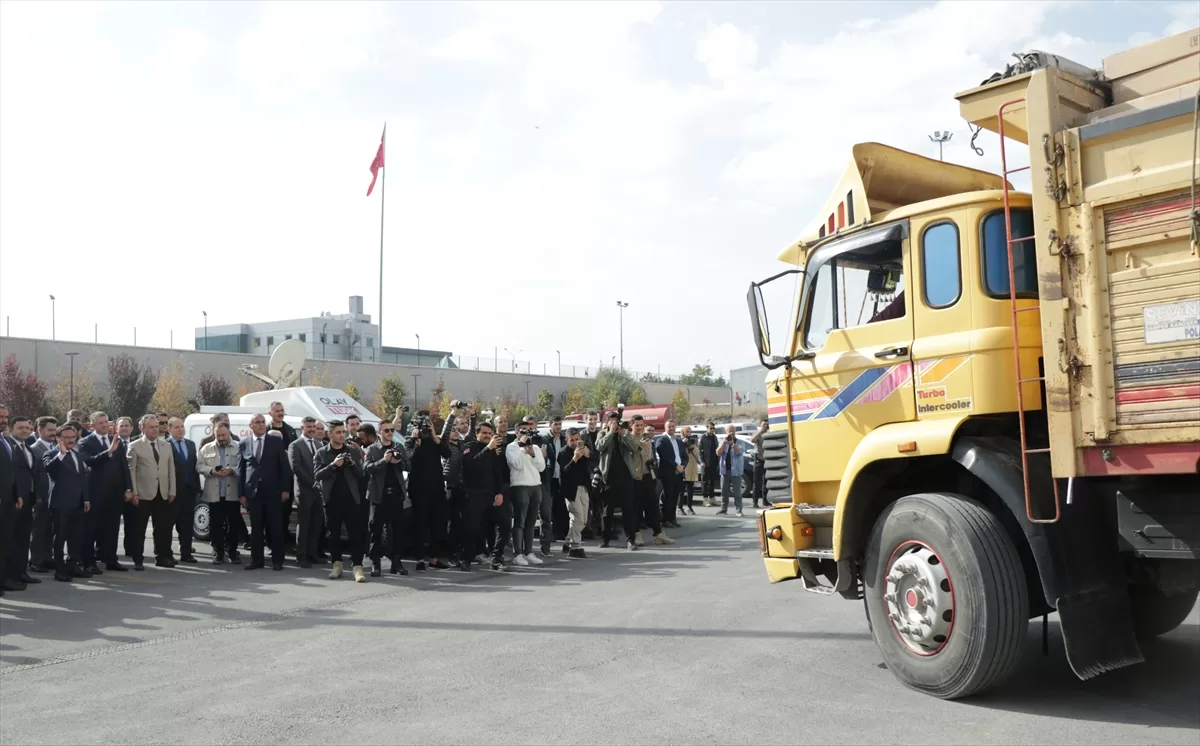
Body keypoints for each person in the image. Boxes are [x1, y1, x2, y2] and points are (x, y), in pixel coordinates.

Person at [77, 411, 133, 573]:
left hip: (114, 493)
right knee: (91, 529)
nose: (104, 425)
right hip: (95, 493)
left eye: (106, 422)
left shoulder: (115, 440)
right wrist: (108, 452)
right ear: (92, 425)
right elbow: (89, 462)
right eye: (100, 423)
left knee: (112, 528)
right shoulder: (85, 442)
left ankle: (111, 559)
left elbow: (124, 467)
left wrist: (128, 488)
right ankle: (89, 562)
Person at [314, 420, 367, 582]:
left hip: (351, 498)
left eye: (343, 432)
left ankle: (357, 567)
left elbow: (361, 474)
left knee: (355, 534)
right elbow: (317, 475)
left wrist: (352, 464)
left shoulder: (353, 451)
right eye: (338, 432)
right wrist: (333, 465)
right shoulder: (321, 453)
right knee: (333, 534)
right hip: (331, 499)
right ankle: (337, 564)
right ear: (329, 434)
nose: (342, 435)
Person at [237, 413, 291, 571]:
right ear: (251, 425)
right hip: (253, 493)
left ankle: (277, 560)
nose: (261, 425)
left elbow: (284, 467)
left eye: (263, 422)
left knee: (275, 527)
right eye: (257, 422)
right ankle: (257, 560)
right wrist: (241, 494)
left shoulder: (275, 441)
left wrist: (285, 489)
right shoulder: (244, 443)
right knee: (256, 528)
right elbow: (241, 470)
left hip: (273, 492)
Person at [127, 414, 177, 570]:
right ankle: (138, 559)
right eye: (151, 427)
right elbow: (131, 471)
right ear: (142, 428)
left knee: (162, 528)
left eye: (156, 426)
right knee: (139, 529)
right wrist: (134, 492)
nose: (155, 430)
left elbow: (171, 469)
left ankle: (161, 557)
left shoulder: (166, 445)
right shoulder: (135, 446)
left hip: (162, 493)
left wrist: (172, 490)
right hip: (142, 494)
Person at [460, 421, 510, 571]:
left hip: (492, 495)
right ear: (477, 433)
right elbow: (473, 465)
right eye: (484, 433)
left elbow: (497, 472)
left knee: (505, 525)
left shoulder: (492, 450)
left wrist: (499, 492)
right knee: (472, 529)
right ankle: (466, 558)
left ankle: (496, 558)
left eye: (489, 433)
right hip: (474, 495)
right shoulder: (469, 447)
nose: (488, 436)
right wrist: (488, 448)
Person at [43, 424, 90, 583]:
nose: (70, 440)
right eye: (67, 437)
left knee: (76, 536)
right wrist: (61, 455)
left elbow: (82, 479)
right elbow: (50, 469)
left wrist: (86, 499)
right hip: (60, 503)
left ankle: (72, 565)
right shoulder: (51, 454)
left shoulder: (77, 454)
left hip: (78, 503)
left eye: (73, 437)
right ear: (58, 439)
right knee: (60, 537)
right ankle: (60, 570)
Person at [405, 410, 451, 571]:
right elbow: (410, 459)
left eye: (427, 424)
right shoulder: (409, 440)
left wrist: (434, 436)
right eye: (421, 424)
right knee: (419, 525)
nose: (424, 427)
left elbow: (447, 453)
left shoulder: (433, 440)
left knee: (437, 525)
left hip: (436, 488)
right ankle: (419, 559)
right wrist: (417, 442)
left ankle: (434, 558)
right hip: (418, 489)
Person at [364, 418, 410, 577]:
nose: (390, 433)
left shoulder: (399, 447)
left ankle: (396, 563)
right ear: (380, 432)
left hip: (396, 495)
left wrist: (399, 461)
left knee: (398, 531)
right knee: (375, 530)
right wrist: (384, 460)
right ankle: (375, 563)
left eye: (392, 430)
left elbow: (409, 466)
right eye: (386, 430)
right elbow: (367, 468)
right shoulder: (372, 449)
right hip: (379, 495)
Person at [197, 422, 241, 564]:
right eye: (218, 435)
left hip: (232, 493)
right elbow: (199, 466)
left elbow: (244, 466)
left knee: (233, 524)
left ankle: (233, 552)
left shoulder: (239, 447)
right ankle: (218, 552)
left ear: (229, 433)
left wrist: (232, 470)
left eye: (224, 435)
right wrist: (211, 470)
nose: (221, 438)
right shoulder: (206, 448)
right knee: (215, 525)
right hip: (214, 494)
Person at [6, 416, 41, 588]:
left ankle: (21, 572)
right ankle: (9, 576)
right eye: (20, 428)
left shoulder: (28, 447)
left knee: (23, 538)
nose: (25, 431)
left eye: (27, 428)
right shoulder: (7, 447)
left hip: (28, 500)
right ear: (11, 429)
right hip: (13, 500)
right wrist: (17, 494)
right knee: (11, 540)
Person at [506, 418, 546, 566]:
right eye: (522, 431)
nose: (526, 434)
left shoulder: (535, 447)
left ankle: (529, 552)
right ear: (516, 433)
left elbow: (541, 467)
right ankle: (518, 554)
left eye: (528, 431)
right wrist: (522, 448)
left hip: (535, 485)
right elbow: (517, 464)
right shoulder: (511, 447)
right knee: (520, 521)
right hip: (520, 485)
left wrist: (532, 454)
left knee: (531, 522)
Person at [630, 415, 674, 547]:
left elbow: (650, 456)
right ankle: (636, 534)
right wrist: (641, 445)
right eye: (637, 425)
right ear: (631, 425)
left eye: (641, 425)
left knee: (653, 505)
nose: (639, 428)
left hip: (648, 475)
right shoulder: (628, 439)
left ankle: (658, 534)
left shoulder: (647, 438)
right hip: (635, 477)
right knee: (635, 507)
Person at [597, 411, 638, 550]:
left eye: (616, 421)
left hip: (625, 476)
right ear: (607, 422)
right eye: (612, 421)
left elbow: (634, 447)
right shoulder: (603, 433)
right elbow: (599, 446)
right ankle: (605, 539)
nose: (615, 424)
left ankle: (630, 540)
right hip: (609, 477)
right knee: (607, 511)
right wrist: (610, 433)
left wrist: (624, 435)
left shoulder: (624, 433)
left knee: (628, 509)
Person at [288, 416, 324, 568]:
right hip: (304, 491)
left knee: (316, 524)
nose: (312, 430)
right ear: (302, 428)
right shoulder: (295, 445)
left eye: (313, 427)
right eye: (308, 427)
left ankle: (312, 553)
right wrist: (313, 483)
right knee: (304, 524)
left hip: (318, 491)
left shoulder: (318, 444)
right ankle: (301, 555)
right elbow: (296, 467)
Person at [441, 403, 475, 565]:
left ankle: (463, 553)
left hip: (462, 487)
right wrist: (453, 413)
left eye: (457, 429)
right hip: (450, 487)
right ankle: (451, 554)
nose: (454, 431)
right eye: (452, 429)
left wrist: (473, 416)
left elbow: (471, 434)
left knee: (463, 522)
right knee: (453, 523)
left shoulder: (462, 444)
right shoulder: (445, 445)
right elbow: (445, 431)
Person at [166, 418, 200, 563]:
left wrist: (196, 488)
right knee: (168, 524)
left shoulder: (190, 444)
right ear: (169, 430)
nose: (181, 429)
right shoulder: (164, 445)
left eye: (182, 426)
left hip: (189, 490)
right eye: (177, 427)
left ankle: (186, 553)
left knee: (187, 524)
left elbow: (193, 466)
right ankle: (166, 554)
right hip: (172, 492)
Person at [27, 416, 57, 574]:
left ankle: (47, 557)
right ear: (39, 430)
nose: (53, 433)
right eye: (50, 430)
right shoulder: (34, 449)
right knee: (39, 529)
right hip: (41, 497)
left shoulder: (55, 447)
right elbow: (32, 476)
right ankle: (36, 561)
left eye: (55, 430)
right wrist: (37, 496)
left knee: (50, 529)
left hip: (54, 496)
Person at [556, 427, 591, 558]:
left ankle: (568, 541)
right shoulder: (563, 453)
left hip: (583, 487)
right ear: (567, 440)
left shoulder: (583, 448)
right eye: (572, 440)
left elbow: (588, 467)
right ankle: (575, 547)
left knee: (583, 519)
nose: (575, 442)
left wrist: (587, 456)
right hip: (571, 489)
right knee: (578, 518)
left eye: (577, 439)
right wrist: (574, 458)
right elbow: (565, 471)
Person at [655, 419, 689, 528]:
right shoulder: (661, 440)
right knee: (668, 496)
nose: (671, 428)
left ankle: (672, 518)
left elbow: (685, 456)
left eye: (673, 426)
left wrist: (682, 466)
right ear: (665, 428)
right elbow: (664, 456)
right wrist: (675, 466)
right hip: (668, 473)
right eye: (669, 426)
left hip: (679, 473)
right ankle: (665, 519)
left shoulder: (679, 441)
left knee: (675, 496)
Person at [544, 416, 570, 548]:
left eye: (560, 424)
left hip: (562, 475)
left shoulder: (564, 439)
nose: (558, 427)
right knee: (550, 506)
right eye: (555, 424)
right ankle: (552, 533)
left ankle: (562, 532)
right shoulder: (546, 439)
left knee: (562, 505)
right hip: (550, 476)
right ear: (550, 425)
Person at [716, 425, 745, 517]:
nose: (731, 433)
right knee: (724, 491)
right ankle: (723, 509)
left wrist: (732, 444)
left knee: (737, 492)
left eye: (733, 431)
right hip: (725, 470)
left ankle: (739, 510)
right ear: (726, 432)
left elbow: (739, 452)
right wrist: (724, 443)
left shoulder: (739, 442)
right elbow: (718, 453)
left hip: (736, 471)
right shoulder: (722, 441)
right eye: (729, 431)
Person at [680, 426, 700, 516]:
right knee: (681, 489)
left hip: (692, 467)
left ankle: (689, 507)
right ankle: (680, 507)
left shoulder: (693, 441)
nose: (688, 433)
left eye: (689, 431)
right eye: (687, 431)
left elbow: (697, 455)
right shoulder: (680, 441)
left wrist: (692, 447)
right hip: (684, 467)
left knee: (690, 489)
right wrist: (685, 445)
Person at [699, 421, 720, 508]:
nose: (712, 430)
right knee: (705, 482)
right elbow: (700, 450)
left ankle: (712, 498)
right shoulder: (703, 437)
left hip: (713, 462)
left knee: (712, 481)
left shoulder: (714, 437)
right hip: (705, 463)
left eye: (713, 428)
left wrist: (718, 462)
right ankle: (705, 499)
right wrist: (701, 461)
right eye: (710, 428)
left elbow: (717, 449)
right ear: (707, 428)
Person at [750, 418, 769, 508]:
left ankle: (765, 501)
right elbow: (752, 440)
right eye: (763, 425)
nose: (765, 426)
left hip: (767, 460)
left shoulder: (769, 434)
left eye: (766, 425)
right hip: (758, 459)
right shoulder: (757, 433)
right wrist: (760, 431)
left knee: (766, 482)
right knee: (757, 482)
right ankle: (755, 501)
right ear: (760, 426)